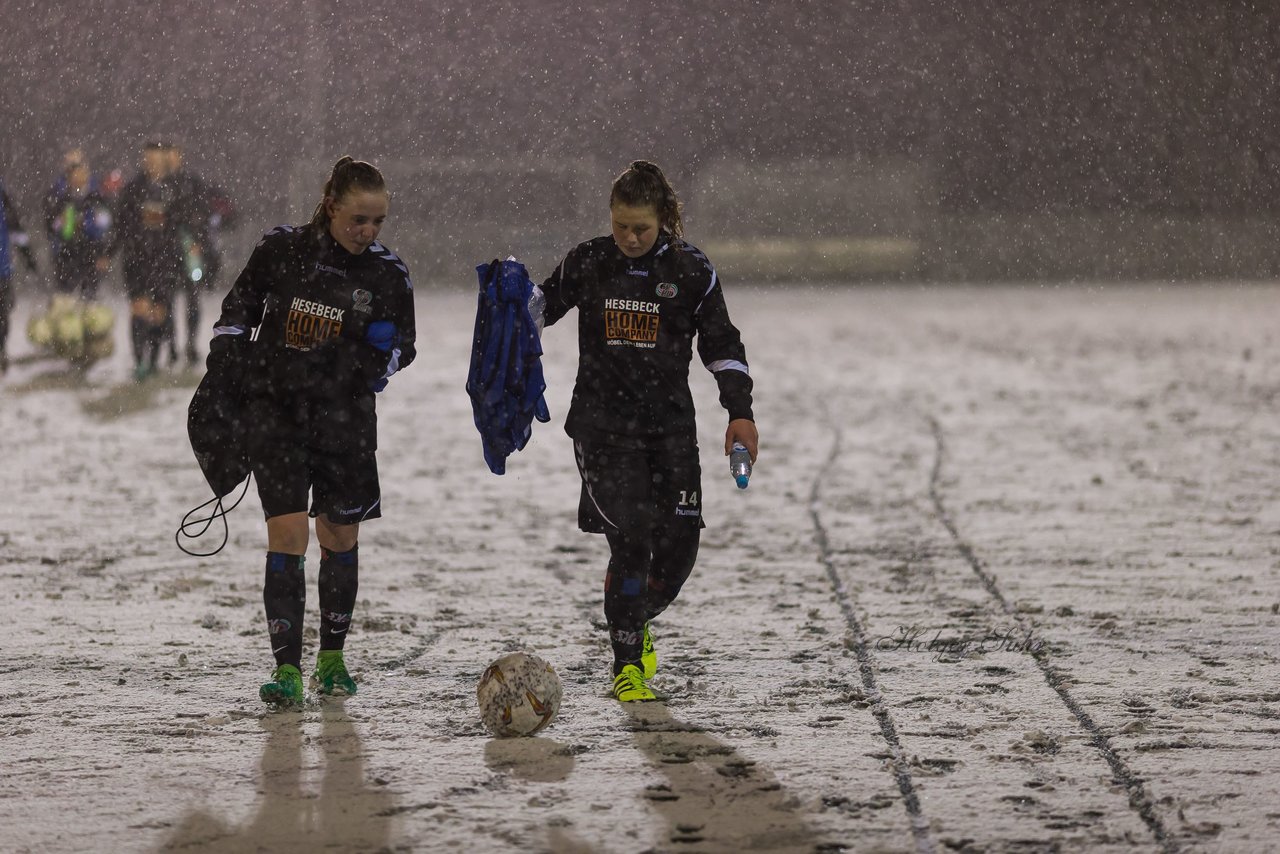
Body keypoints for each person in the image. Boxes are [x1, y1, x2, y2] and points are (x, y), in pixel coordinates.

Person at [533, 160, 759, 702]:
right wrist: (509, 309)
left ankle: (632, 616)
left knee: (677, 555)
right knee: (632, 536)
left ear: (664, 221)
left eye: (642, 229)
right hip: (602, 429)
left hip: (670, 431)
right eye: (621, 226)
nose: (630, 238)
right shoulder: (588, 261)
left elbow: (723, 346)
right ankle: (627, 664)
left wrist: (740, 412)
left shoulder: (690, 270)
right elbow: (538, 311)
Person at [205, 156, 416, 708]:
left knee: (340, 537)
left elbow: (405, 347)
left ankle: (332, 658)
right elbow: (237, 311)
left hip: (345, 423)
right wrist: (225, 358)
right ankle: (288, 670)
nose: (367, 232)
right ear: (331, 206)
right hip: (278, 417)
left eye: (378, 222)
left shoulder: (388, 274)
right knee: (288, 536)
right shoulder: (281, 250)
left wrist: (384, 359)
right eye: (358, 220)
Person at [113, 140, 190, 380]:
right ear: (144, 160)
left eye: (157, 160)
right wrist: (109, 252)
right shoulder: (133, 189)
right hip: (136, 259)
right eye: (149, 159)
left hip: (165, 259)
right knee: (139, 309)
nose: (153, 164)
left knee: (159, 311)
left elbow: (183, 223)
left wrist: (185, 250)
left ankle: (154, 359)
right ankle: (139, 360)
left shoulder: (175, 189)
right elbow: (121, 224)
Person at [43, 149, 113, 300]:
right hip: (66, 253)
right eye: (74, 170)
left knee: (89, 298)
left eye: (82, 170)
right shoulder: (59, 197)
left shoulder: (97, 195)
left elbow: (106, 223)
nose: (79, 176)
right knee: (66, 298)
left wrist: (87, 226)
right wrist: (64, 224)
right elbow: (51, 226)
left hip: (91, 251)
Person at [0, 175, 38, 374]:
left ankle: (1, 350)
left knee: (3, 313)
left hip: (2, 268)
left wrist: (29, 258)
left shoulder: (2, 195)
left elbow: (15, 228)